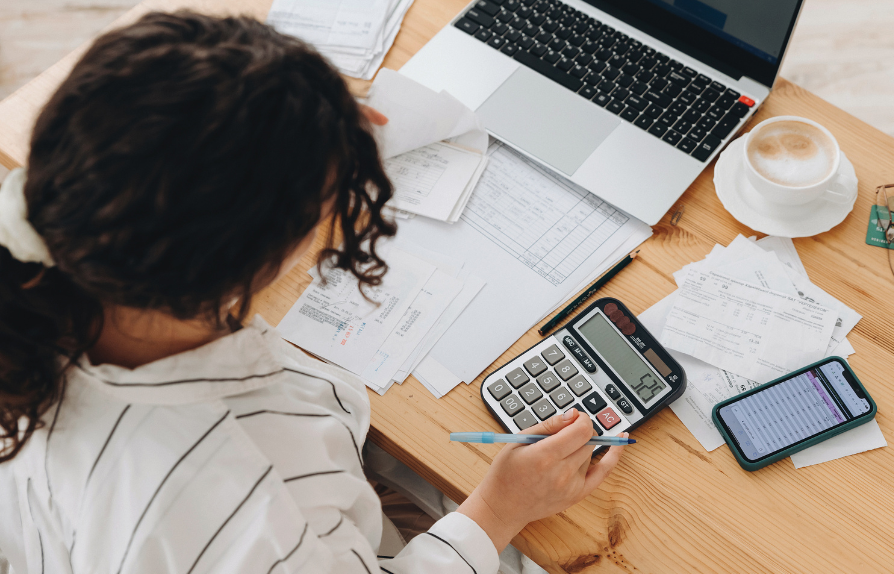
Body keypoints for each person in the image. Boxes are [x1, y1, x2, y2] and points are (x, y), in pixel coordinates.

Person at [0, 11, 625, 574]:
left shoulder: (60, 274)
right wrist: (498, 510)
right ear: (255, 263)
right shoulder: (228, 505)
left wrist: (307, 113)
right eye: (329, 202)